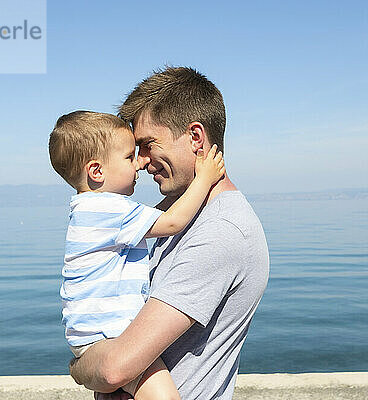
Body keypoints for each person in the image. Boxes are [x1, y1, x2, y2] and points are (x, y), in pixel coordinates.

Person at [70, 67, 269, 400]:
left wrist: (80, 366)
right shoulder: (167, 215)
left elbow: (113, 369)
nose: (142, 162)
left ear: (195, 137)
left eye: (148, 145)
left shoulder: (220, 232)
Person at [49, 111, 225, 400]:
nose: (141, 163)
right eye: (130, 157)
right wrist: (204, 179)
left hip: (92, 338)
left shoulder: (87, 210)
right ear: (97, 172)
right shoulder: (110, 209)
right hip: (111, 337)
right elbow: (172, 222)